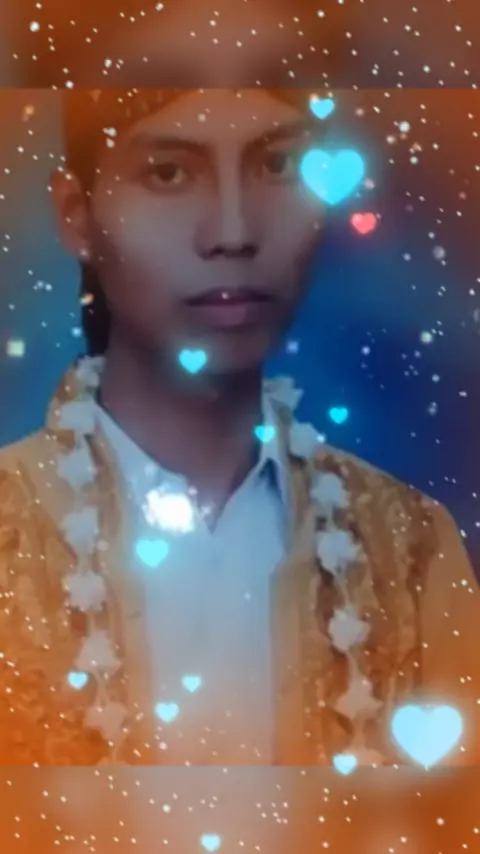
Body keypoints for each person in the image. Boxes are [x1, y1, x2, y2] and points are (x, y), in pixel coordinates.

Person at [1, 1, 479, 770]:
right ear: (76, 215)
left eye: (277, 165)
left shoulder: (411, 553)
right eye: (168, 173)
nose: (232, 230)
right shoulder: (10, 534)